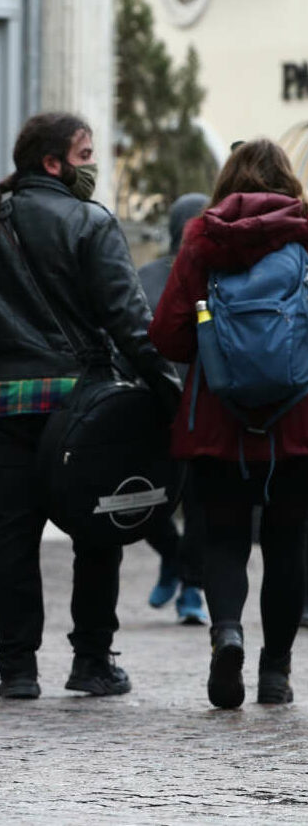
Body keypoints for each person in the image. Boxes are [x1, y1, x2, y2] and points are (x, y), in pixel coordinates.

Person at [0, 112, 181, 701]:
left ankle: (17, 669)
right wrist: (166, 387)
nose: (91, 166)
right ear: (53, 162)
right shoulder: (89, 221)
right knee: (98, 527)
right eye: (84, 155)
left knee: (12, 536)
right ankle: (92, 661)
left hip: (5, 406)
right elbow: (129, 320)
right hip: (82, 405)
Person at [149, 139, 308, 709]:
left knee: (224, 538)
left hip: (217, 420)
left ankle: (228, 634)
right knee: (290, 544)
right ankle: (276, 673)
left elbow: (167, 333)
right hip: (298, 424)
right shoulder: (306, 236)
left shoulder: (201, 241)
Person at [136, 193, 210, 625]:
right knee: (142, 497)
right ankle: (171, 556)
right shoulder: (146, 275)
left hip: (203, 404)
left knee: (201, 501)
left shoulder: (218, 274)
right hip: (151, 403)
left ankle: (192, 588)